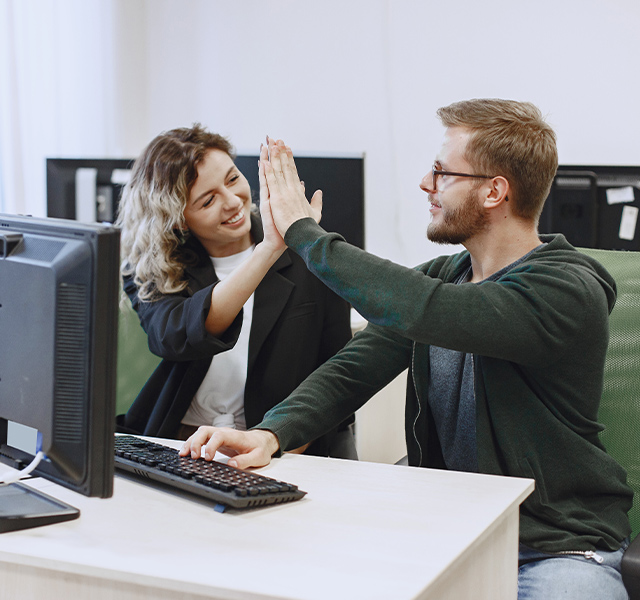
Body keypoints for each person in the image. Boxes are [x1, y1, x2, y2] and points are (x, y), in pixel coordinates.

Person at [181, 100, 634, 599]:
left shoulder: (564, 289)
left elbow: (429, 310)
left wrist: (302, 233)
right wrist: (271, 433)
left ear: (494, 191)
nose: (426, 183)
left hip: (556, 545)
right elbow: (354, 368)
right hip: (450, 533)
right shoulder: (448, 277)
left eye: (442, 172)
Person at [114, 124, 356, 459]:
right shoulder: (152, 268)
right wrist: (268, 250)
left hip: (288, 447)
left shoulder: (310, 252)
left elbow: (340, 371)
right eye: (208, 200)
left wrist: (283, 444)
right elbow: (175, 336)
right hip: (184, 444)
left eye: (232, 179)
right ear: (179, 219)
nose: (232, 202)